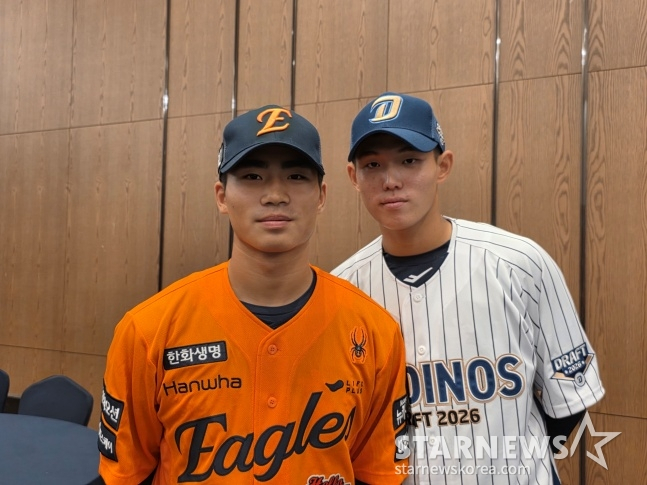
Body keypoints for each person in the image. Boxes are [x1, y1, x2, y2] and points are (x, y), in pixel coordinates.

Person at [97, 105, 410, 485]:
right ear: (221, 196)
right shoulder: (147, 330)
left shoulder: (375, 332)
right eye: (252, 176)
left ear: (321, 196)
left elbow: (378, 473)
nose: (275, 195)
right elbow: (126, 475)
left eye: (296, 176)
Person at [332, 92, 605, 484]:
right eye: (372, 165)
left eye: (410, 160)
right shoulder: (342, 290)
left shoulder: (520, 263)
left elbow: (570, 400)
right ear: (353, 177)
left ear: (443, 166)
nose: (390, 181)